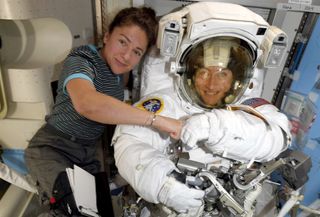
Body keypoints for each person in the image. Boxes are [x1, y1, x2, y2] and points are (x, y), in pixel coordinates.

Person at [24, 6, 182, 217]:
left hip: (86, 156)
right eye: (122, 41)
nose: (126, 56)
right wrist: (157, 120)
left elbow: (116, 111)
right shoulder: (82, 59)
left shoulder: (120, 76)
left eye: (137, 52)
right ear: (107, 36)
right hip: (53, 148)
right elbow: (88, 104)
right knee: (70, 211)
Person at [112, 35, 292, 216]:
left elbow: (277, 138)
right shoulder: (166, 102)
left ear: (236, 77)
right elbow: (129, 143)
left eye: (223, 74)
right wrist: (164, 184)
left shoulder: (249, 106)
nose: (212, 84)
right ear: (190, 73)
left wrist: (215, 126)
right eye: (204, 72)